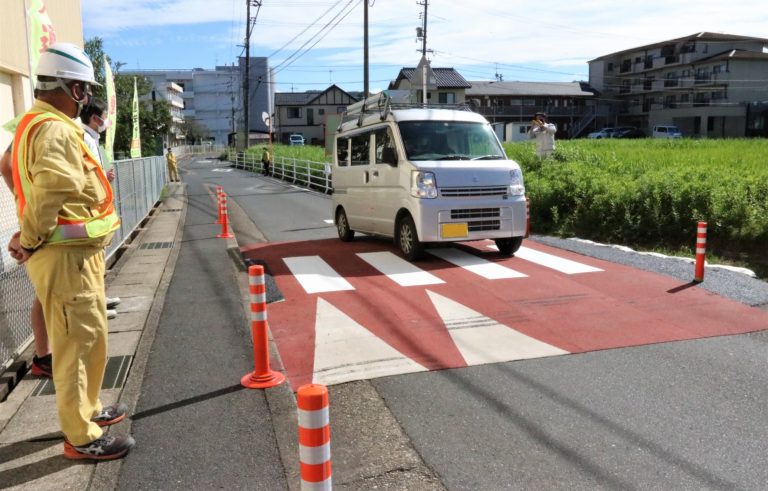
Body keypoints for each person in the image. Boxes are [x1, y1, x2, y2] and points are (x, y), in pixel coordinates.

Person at [6, 42, 134, 460]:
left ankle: (91, 409)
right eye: (82, 89)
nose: (85, 98)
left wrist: (26, 232)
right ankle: (81, 435)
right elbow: (53, 189)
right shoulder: (58, 127)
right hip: (65, 257)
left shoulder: (31, 122)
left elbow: (9, 167)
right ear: (71, 88)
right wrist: (28, 237)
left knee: (89, 334)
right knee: (75, 342)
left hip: (72, 254)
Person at [1, 145, 51, 377]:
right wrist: (24, 203)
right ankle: (44, 357)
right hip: (41, 229)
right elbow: (5, 164)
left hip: (40, 227)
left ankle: (46, 355)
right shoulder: (36, 125)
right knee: (45, 296)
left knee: (47, 295)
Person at [80, 99, 121, 318]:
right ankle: (96, 306)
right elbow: (86, 176)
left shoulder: (92, 138)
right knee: (91, 262)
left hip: (98, 210)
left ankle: (101, 299)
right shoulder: (84, 138)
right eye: (104, 117)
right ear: (95, 119)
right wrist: (103, 178)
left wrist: (105, 178)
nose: (106, 121)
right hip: (89, 212)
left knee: (98, 260)